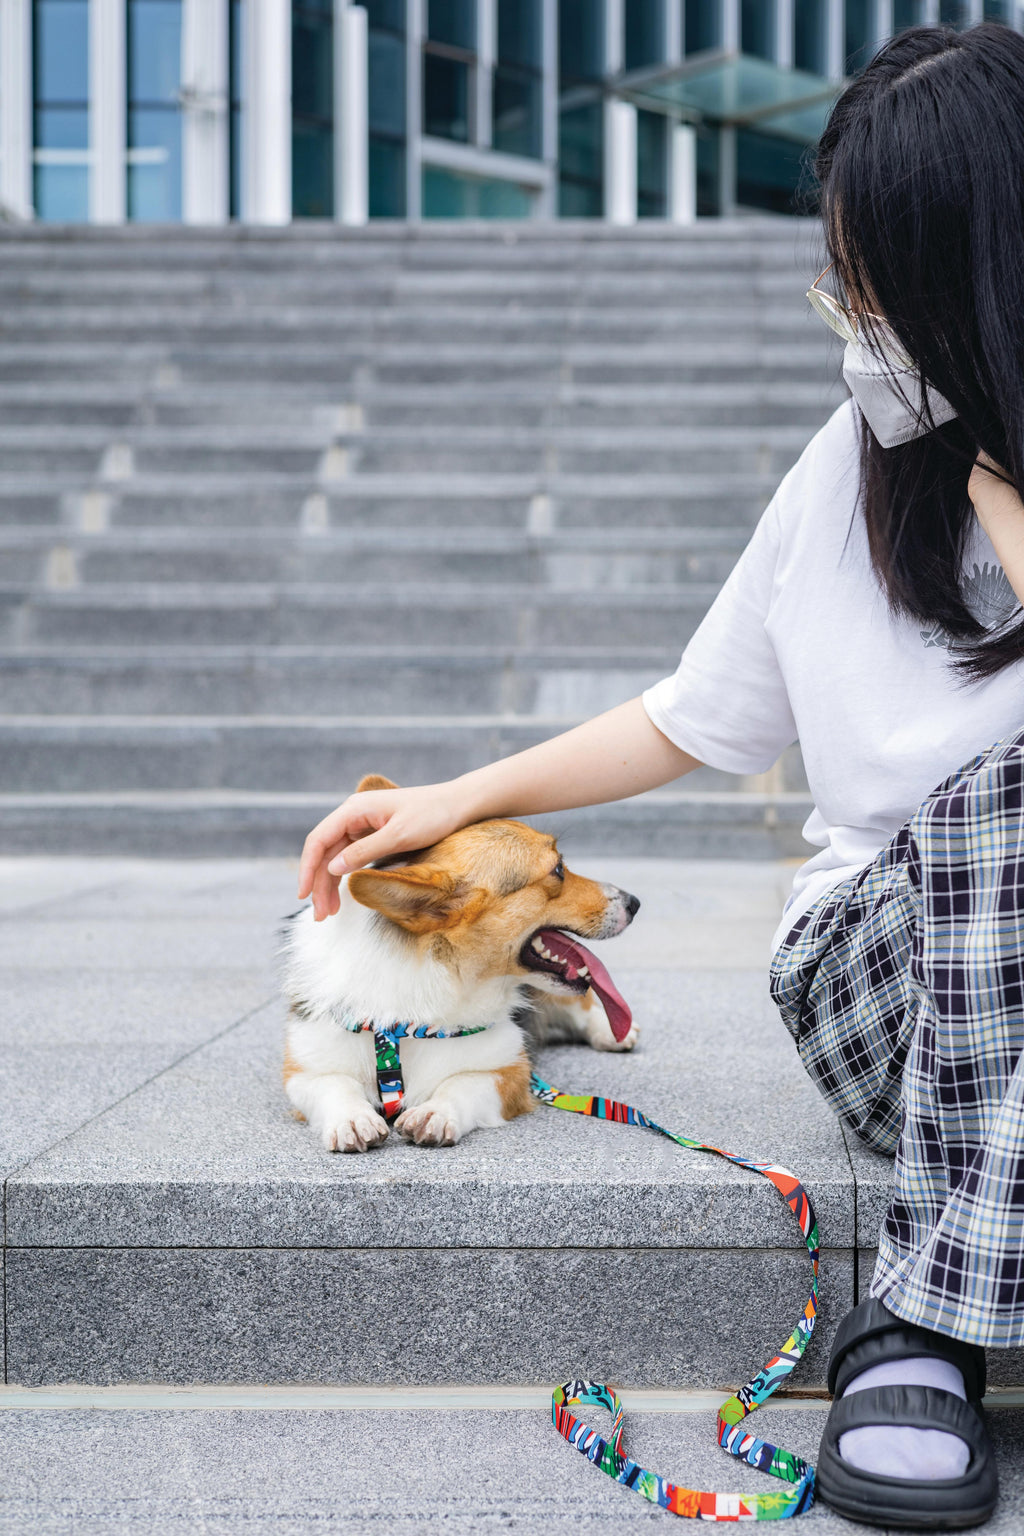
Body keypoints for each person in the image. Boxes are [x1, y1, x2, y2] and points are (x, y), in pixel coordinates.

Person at [298, 21, 1024, 1529]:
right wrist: (451, 801)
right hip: (896, 991)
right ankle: (925, 1320)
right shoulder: (843, 472)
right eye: (843, 280)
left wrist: (1008, 493)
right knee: (1007, 801)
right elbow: (695, 716)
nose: (854, 320)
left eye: (875, 281)